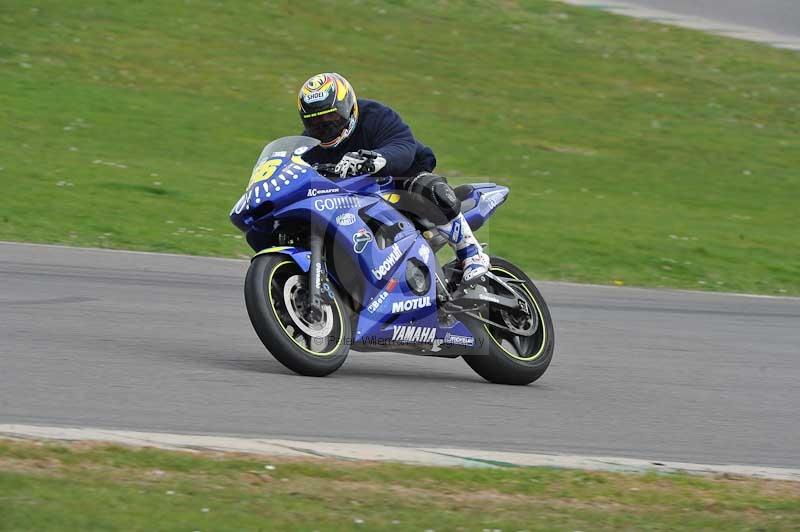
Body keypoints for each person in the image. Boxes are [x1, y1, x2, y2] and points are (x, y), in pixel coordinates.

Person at [297, 72, 491, 283]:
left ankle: (471, 253)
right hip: (352, 195)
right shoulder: (308, 145)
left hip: (399, 177)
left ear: (348, 107)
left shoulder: (375, 115)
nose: (324, 126)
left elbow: (403, 145)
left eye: (331, 117)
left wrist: (377, 159)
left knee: (428, 188)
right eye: (315, 121)